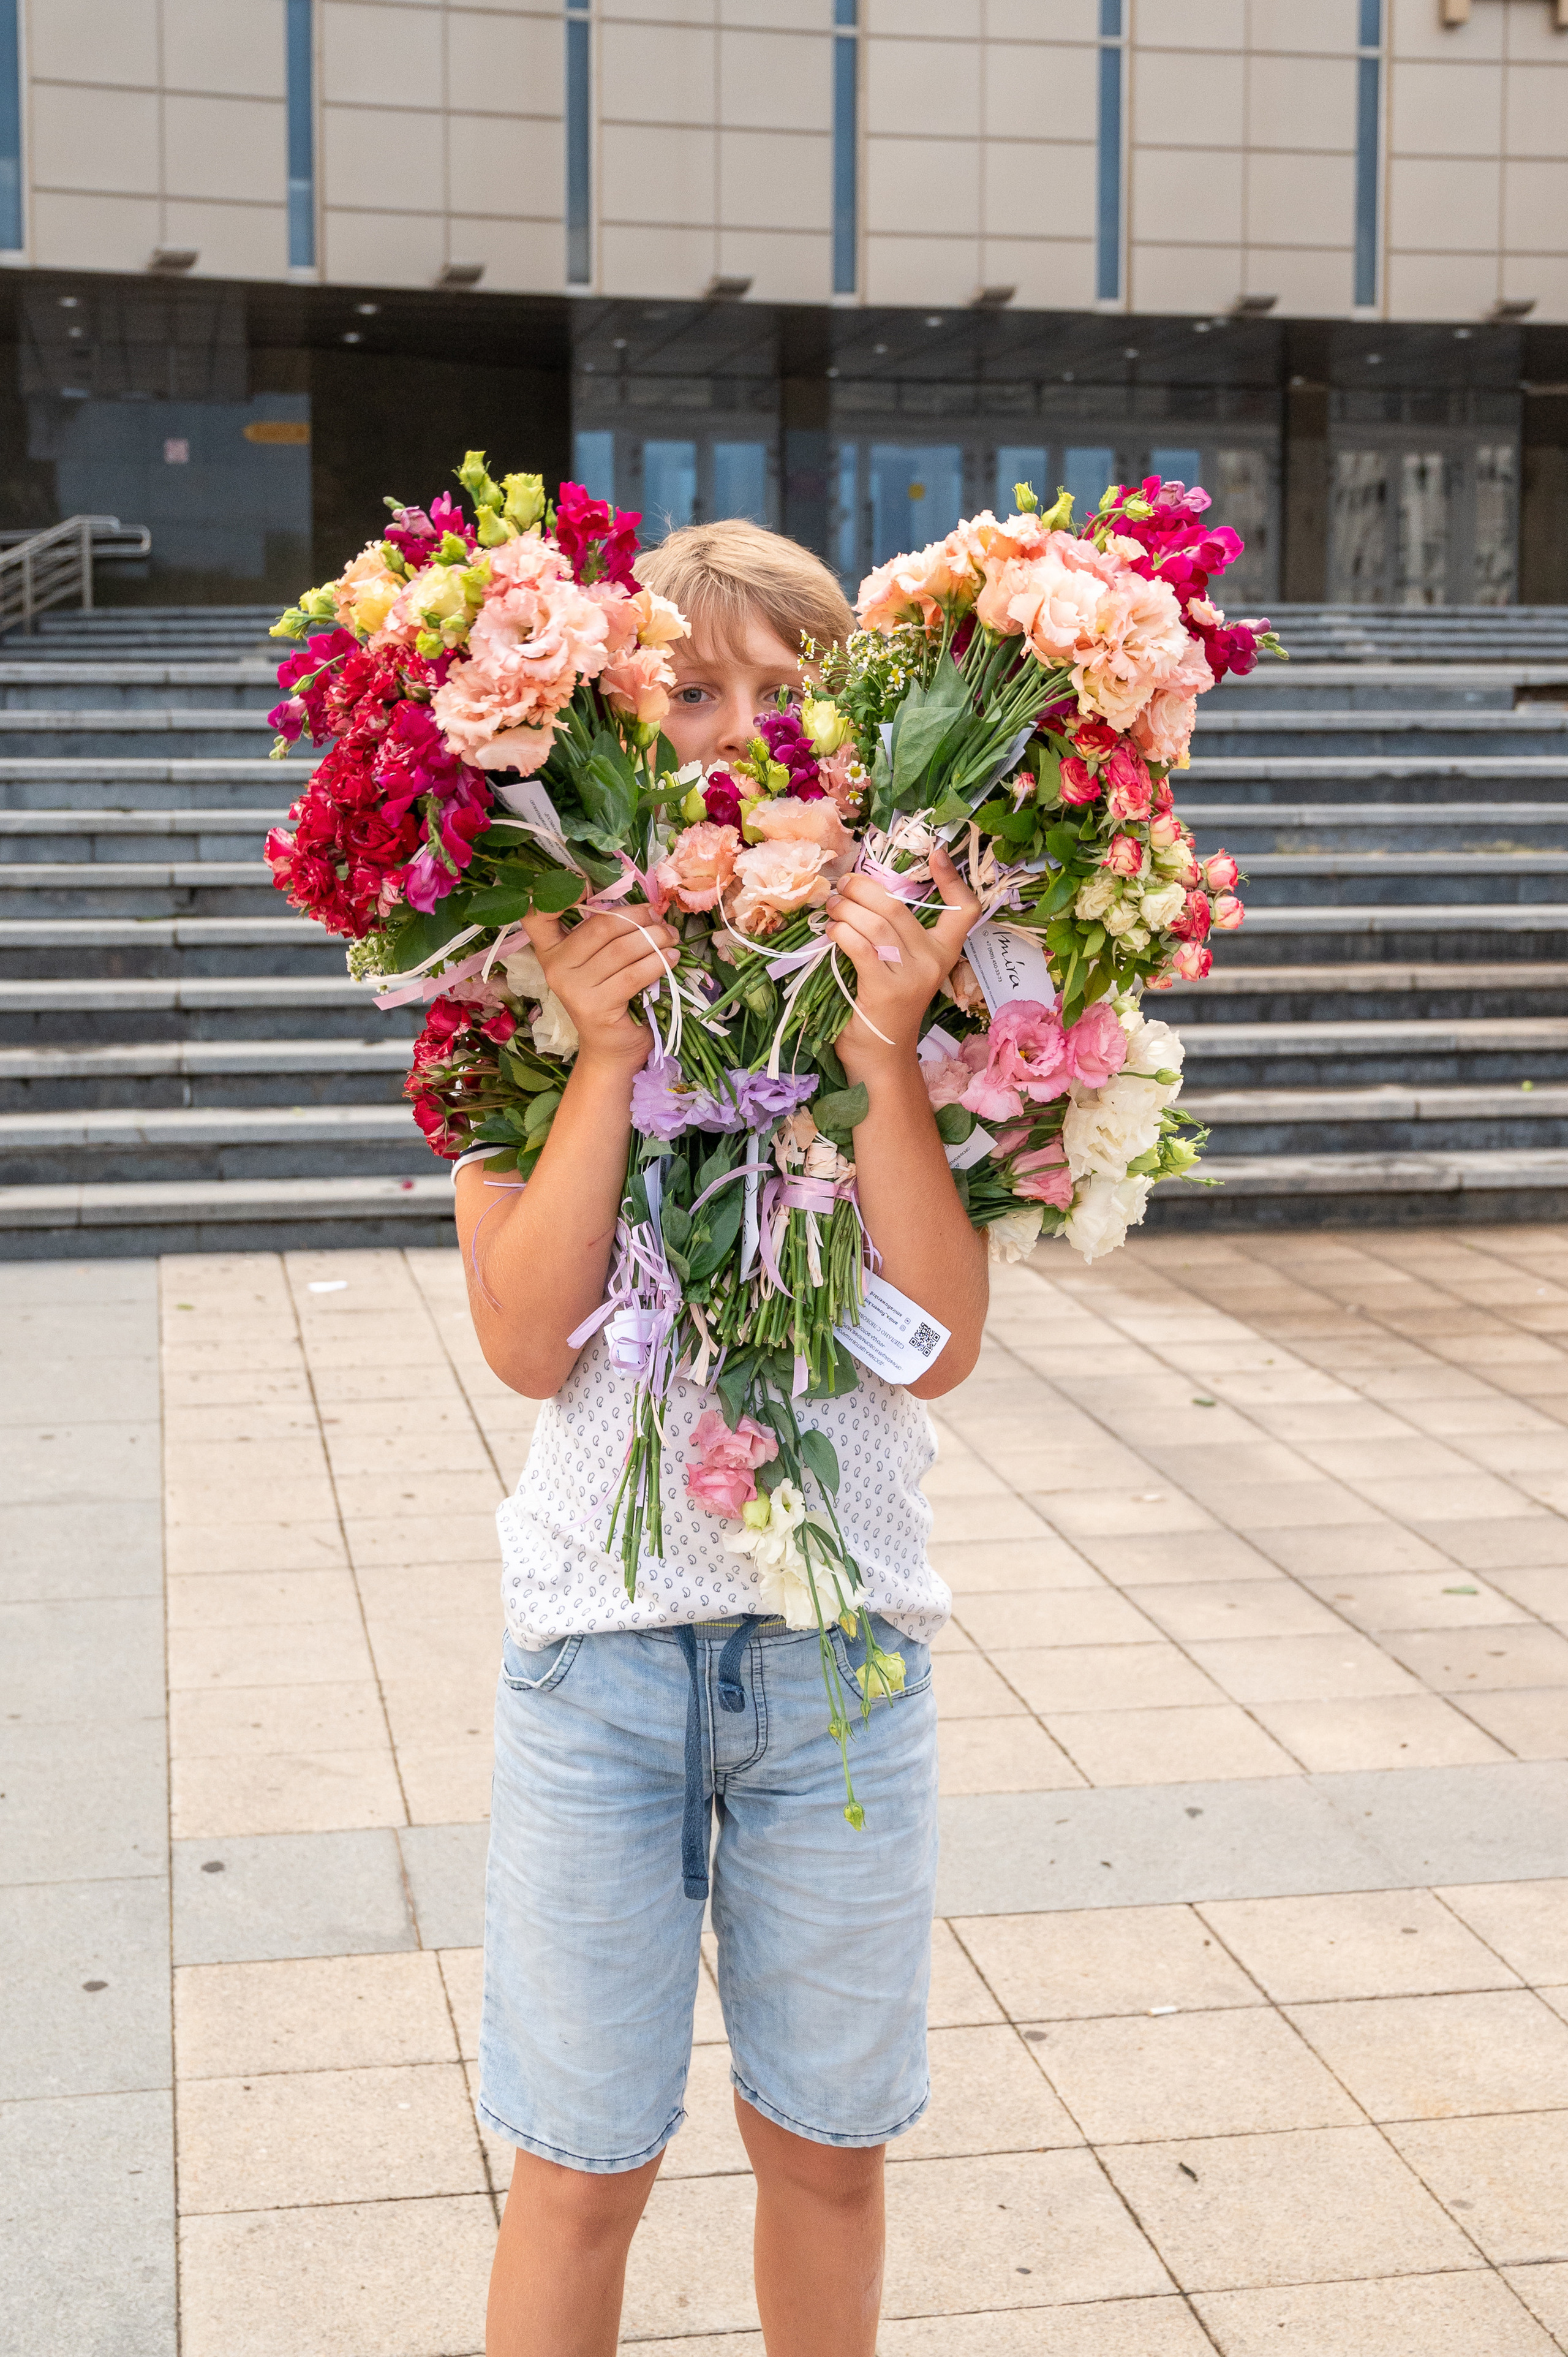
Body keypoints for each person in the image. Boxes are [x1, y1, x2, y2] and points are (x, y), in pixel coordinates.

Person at [456, 517, 989, 2357]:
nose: (736, 729)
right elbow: (530, 1343)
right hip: (598, 1665)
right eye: (691, 691)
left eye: (786, 694)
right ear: (608, 716)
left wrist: (888, 1058)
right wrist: (602, 1058)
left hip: (842, 1653)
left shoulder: (914, 975)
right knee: (581, 2165)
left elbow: (937, 1347)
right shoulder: (514, 991)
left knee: (828, 2149)